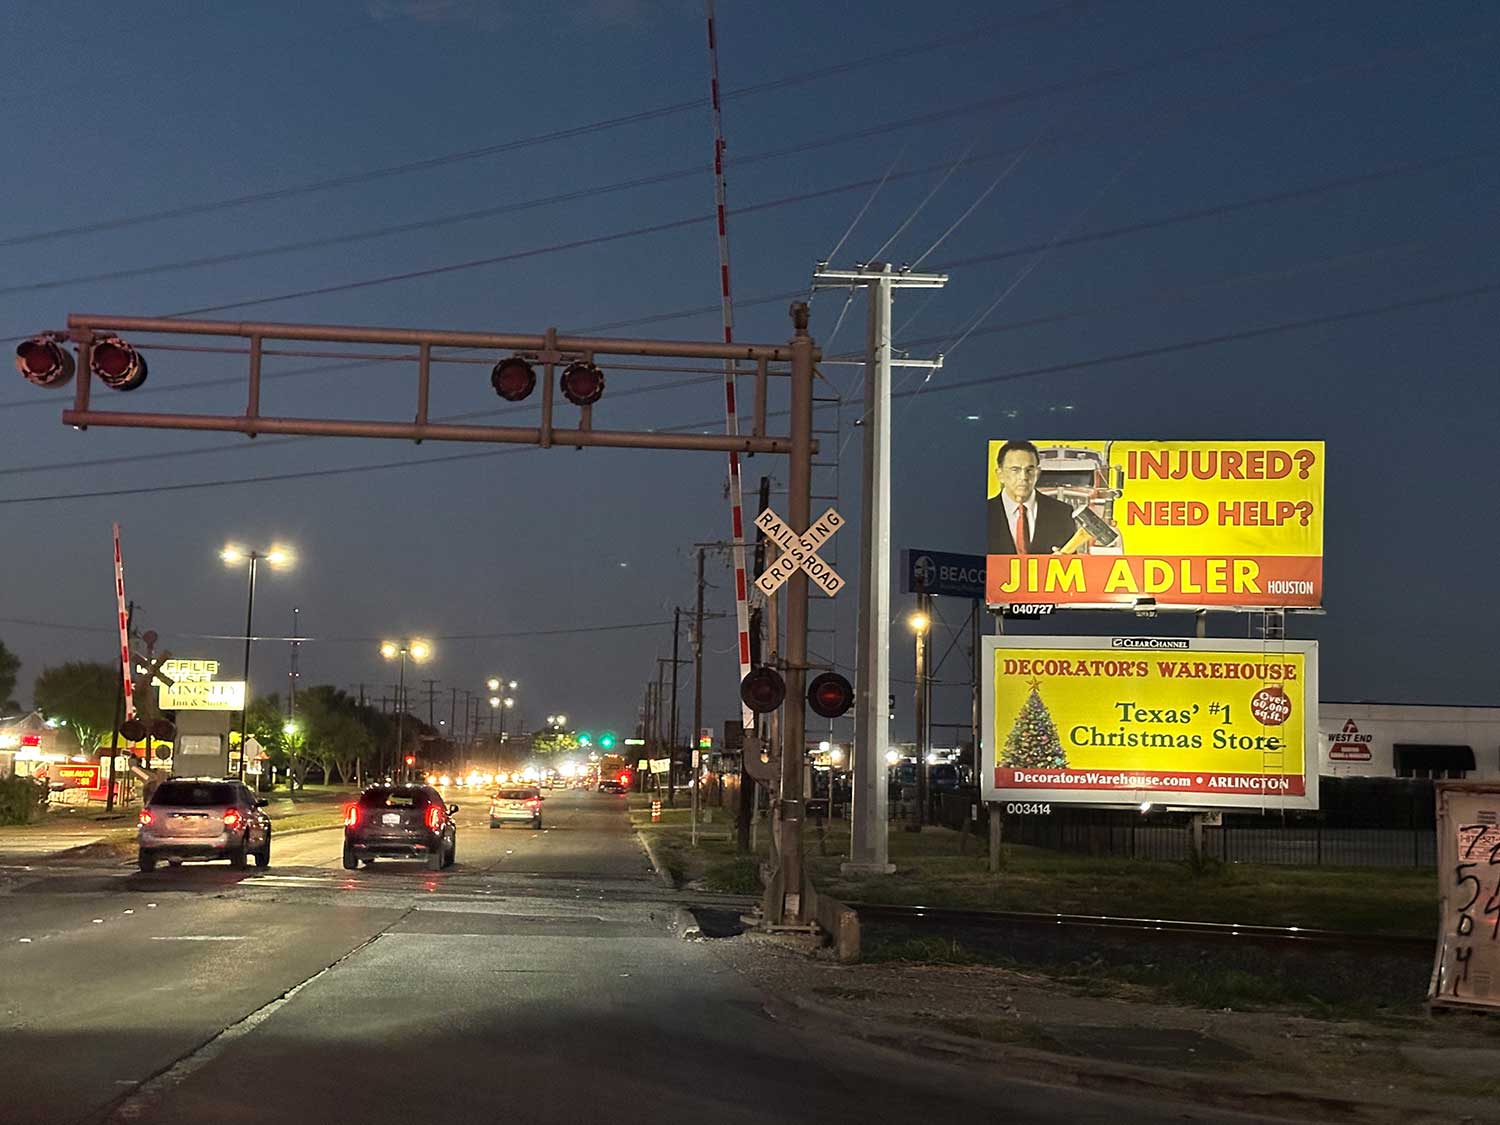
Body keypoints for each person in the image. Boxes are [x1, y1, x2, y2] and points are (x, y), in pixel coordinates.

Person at [986, 439, 1077, 554]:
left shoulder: (1063, 513)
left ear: (1037, 473)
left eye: (1029, 470)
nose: (1023, 477)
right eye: (1015, 470)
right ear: (1000, 474)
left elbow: (1073, 564)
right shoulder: (983, 512)